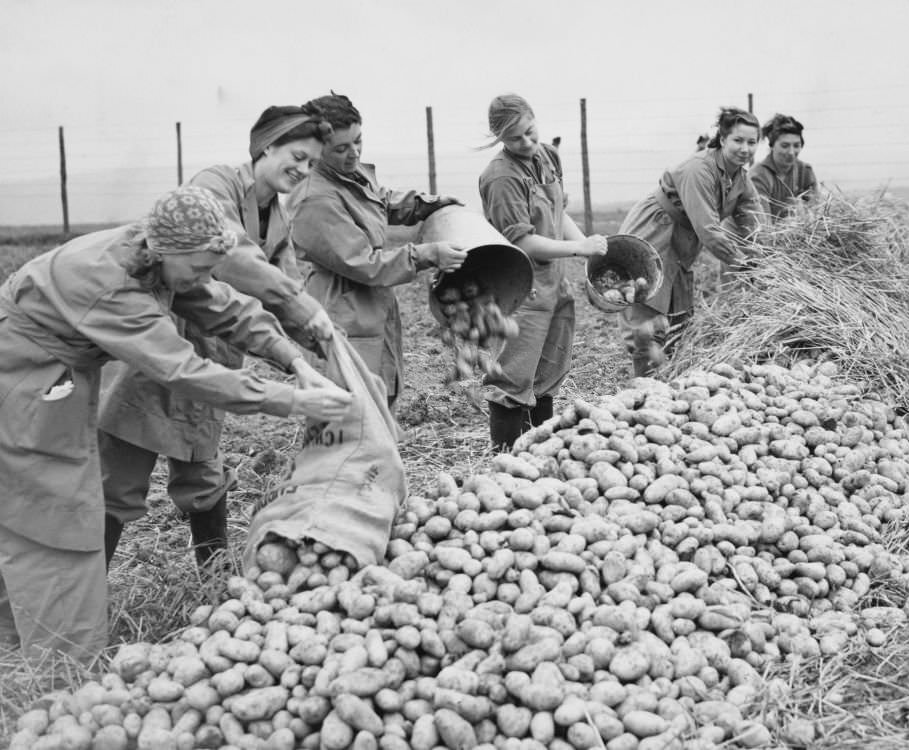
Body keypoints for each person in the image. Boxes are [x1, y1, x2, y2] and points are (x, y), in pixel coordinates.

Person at [0, 185, 353, 662]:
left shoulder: (158, 257)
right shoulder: (112, 284)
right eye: (200, 267)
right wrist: (289, 400)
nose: (205, 278)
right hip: (23, 378)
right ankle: (59, 663)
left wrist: (294, 360)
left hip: (57, 373)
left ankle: (17, 630)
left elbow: (223, 306)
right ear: (168, 251)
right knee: (54, 512)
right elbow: (182, 369)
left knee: (38, 507)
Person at [98, 105, 336, 571]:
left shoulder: (278, 217)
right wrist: (297, 306)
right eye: (297, 155)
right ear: (267, 145)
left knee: (201, 468)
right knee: (121, 475)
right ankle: (85, 591)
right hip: (168, 340)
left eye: (311, 163)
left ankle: (213, 576)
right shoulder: (216, 184)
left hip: (219, 355)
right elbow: (234, 261)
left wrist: (322, 343)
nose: (302, 169)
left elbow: (288, 293)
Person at [290, 92, 468, 409]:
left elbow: (378, 201)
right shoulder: (314, 199)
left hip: (371, 308)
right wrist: (426, 254)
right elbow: (365, 264)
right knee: (353, 414)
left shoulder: (347, 175)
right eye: (341, 148)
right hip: (343, 310)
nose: (354, 153)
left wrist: (427, 205)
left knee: (380, 403)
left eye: (358, 141)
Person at [477, 94, 607, 452]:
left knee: (547, 371)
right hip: (521, 287)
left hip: (553, 282)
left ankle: (538, 451)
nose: (527, 142)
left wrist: (588, 251)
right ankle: (504, 459)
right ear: (499, 138)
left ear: (536, 121)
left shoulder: (548, 156)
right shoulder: (501, 178)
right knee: (514, 375)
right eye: (516, 138)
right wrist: (579, 248)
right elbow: (526, 242)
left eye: (530, 131)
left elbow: (556, 212)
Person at [619, 107, 762, 377]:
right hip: (654, 231)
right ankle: (643, 390)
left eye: (751, 142)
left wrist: (765, 258)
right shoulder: (699, 169)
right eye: (738, 140)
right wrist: (743, 264)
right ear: (722, 139)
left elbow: (754, 222)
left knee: (678, 322)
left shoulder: (740, 179)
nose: (745, 148)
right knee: (645, 319)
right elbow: (709, 230)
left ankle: (671, 388)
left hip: (682, 241)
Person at [749, 113, 818, 222]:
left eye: (796, 145)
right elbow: (763, 224)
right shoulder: (758, 176)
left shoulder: (805, 171)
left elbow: (814, 212)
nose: (791, 152)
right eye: (785, 146)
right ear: (772, 146)